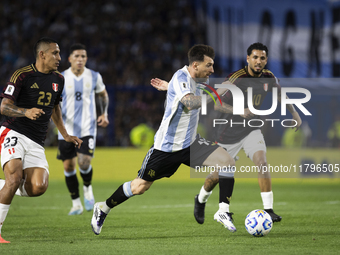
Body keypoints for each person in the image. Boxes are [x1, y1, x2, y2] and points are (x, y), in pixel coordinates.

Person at [151, 42, 302, 231]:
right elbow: (215, 103)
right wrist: (239, 111)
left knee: (262, 162)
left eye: (262, 58)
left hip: (250, 130)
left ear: (266, 60)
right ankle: (201, 199)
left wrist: (294, 113)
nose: (258, 61)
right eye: (255, 57)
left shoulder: (269, 77)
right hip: (228, 132)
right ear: (248, 59)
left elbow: (280, 94)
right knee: (215, 176)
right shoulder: (235, 78)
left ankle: (268, 210)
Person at [91, 44, 237, 235]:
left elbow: (202, 99)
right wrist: (212, 93)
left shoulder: (198, 81)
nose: (212, 70)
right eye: (209, 65)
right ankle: (103, 208)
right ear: (195, 65)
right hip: (165, 149)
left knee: (227, 162)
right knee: (139, 187)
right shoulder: (181, 77)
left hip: (190, 144)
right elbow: (190, 102)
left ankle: (222, 211)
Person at [0, 37, 83, 243]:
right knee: (14, 178)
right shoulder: (22, 75)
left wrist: (65, 134)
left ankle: (4, 186)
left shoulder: (58, 80)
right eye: (55, 53)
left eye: (59, 53)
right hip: (13, 132)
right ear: (42, 55)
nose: (59, 58)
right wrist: (25, 111)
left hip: (36, 141)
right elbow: (4, 107)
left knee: (38, 187)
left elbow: (55, 108)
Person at [57, 43, 109, 215]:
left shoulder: (94, 76)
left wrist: (104, 113)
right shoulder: (61, 77)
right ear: (70, 58)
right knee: (69, 166)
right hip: (66, 130)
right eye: (77, 56)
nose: (80, 59)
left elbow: (103, 94)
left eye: (83, 57)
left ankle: (87, 189)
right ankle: (76, 203)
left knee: (84, 162)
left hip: (87, 127)